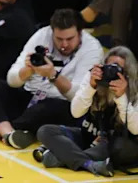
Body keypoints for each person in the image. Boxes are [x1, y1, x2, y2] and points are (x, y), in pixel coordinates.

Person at [0, 9, 104, 149]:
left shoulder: (92, 48)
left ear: (80, 32)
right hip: (30, 97)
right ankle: (8, 133)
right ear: (52, 31)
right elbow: (11, 80)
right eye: (59, 39)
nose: (64, 45)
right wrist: (27, 71)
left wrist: (53, 76)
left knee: (47, 108)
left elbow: (79, 97)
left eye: (69, 39)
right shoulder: (42, 35)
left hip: (60, 106)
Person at [35, 46, 138, 178]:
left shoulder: (135, 88)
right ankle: (89, 163)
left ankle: (64, 156)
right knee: (45, 131)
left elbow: (136, 129)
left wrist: (121, 97)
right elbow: (76, 112)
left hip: (114, 143)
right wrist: (91, 86)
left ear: (128, 73)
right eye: (108, 67)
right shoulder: (93, 77)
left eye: (118, 69)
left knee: (119, 147)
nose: (111, 72)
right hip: (89, 134)